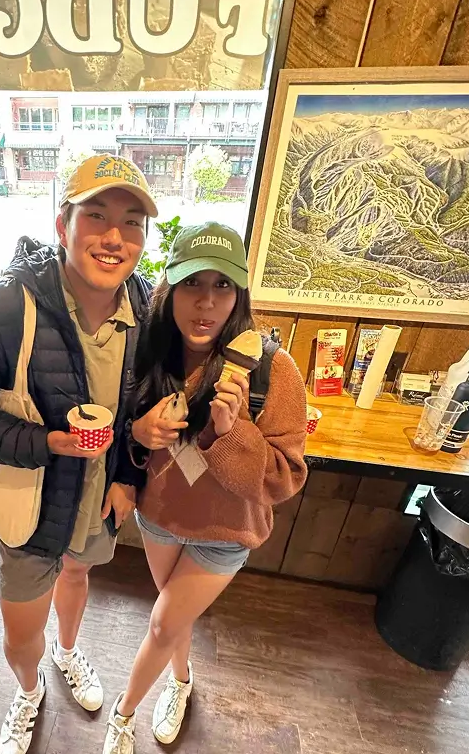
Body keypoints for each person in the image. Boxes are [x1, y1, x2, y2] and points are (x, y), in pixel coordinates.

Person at [0, 154, 157, 754]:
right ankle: (28, 690)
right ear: (63, 226)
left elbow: (145, 406)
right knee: (19, 634)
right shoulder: (3, 305)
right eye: (97, 216)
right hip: (29, 501)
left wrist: (129, 472)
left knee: (78, 572)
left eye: (132, 222)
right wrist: (46, 444)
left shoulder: (145, 309)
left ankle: (70, 648)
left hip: (98, 497)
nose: (114, 236)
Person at [102, 222, 308, 754]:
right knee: (176, 618)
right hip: (161, 516)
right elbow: (120, 432)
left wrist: (231, 430)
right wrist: (137, 434)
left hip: (225, 530)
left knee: (161, 621)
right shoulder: (149, 351)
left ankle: (122, 719)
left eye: (223, 287)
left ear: (239, 295)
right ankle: (181, 680)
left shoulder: (271, 370)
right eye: (194, 283)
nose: (206, 303)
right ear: (170, 286)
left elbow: (284, 478)